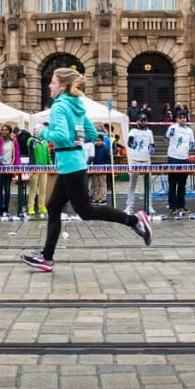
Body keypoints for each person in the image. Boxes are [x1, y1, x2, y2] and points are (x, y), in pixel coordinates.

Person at [19, 68, 152, 272]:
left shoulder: (59, 107)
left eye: (53, 82)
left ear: (62, 86)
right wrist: (75, 140)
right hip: (73, 163)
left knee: (86, 211)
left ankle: (135, 220)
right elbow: (91, 133)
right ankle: (46, 257)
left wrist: (42, 131)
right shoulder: (77, 105)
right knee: (53, 207)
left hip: (71, 165)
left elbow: (60, 136)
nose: (49, 85)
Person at [164, 112, 194, 214]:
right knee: (173, 183)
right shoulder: (173, 127)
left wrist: (192, 145)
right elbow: (167, 136)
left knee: (182, 184)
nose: (182, 119)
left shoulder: (190, 130)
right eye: (180, 117)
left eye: (184, 117)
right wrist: (169, 134)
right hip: (173, 157)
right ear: (176, 119)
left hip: (184, 158)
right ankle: (172, 206)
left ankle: (181, 205)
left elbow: (192, 142)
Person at [124, 115, 154, 214]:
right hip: (135, 160)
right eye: (141, 120)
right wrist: (131, 144)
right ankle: (129, 206)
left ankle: (149, 205)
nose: (143, 122)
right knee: (132, 184)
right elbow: (129, 142)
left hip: (146, 160)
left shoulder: (149, 132)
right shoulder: (133, 131)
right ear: (137, 121)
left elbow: (152, 144)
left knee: (148, 185)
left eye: (145, 120)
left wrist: (152, 148)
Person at [0, 124, 20, 216]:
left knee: (7, 189)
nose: (4, 131)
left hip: (9, 167)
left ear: (9, 131)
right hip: (0, 167)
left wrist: (17, 167)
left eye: (6, 130)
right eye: (2, 130)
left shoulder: (14, 142)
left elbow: (17, 154)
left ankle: (6, 208)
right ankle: (0, 208)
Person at [26, 124, 52, 217]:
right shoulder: (31, 140)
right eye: (34, 129)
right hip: (35, 168)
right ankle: (31, 207)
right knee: (33, 189)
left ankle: (41, 206)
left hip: (44, 168)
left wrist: (50, 164)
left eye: (37, 129)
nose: (35, 131)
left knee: (43, 189)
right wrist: (32, 168)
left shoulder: (45, 142)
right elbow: (31, 152)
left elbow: (48, 154)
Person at [90, 132, 111, 205]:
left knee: (102, 184)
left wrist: (106, 167)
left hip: (103, 169)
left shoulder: (105, 149)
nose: (98, 142)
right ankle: (96, 197)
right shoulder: (93, 148)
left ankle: (103, 198)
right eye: (96, 140)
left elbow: (108, 159)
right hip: (94, 169)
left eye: (99, 140)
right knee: (95, 184)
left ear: (102, 141)